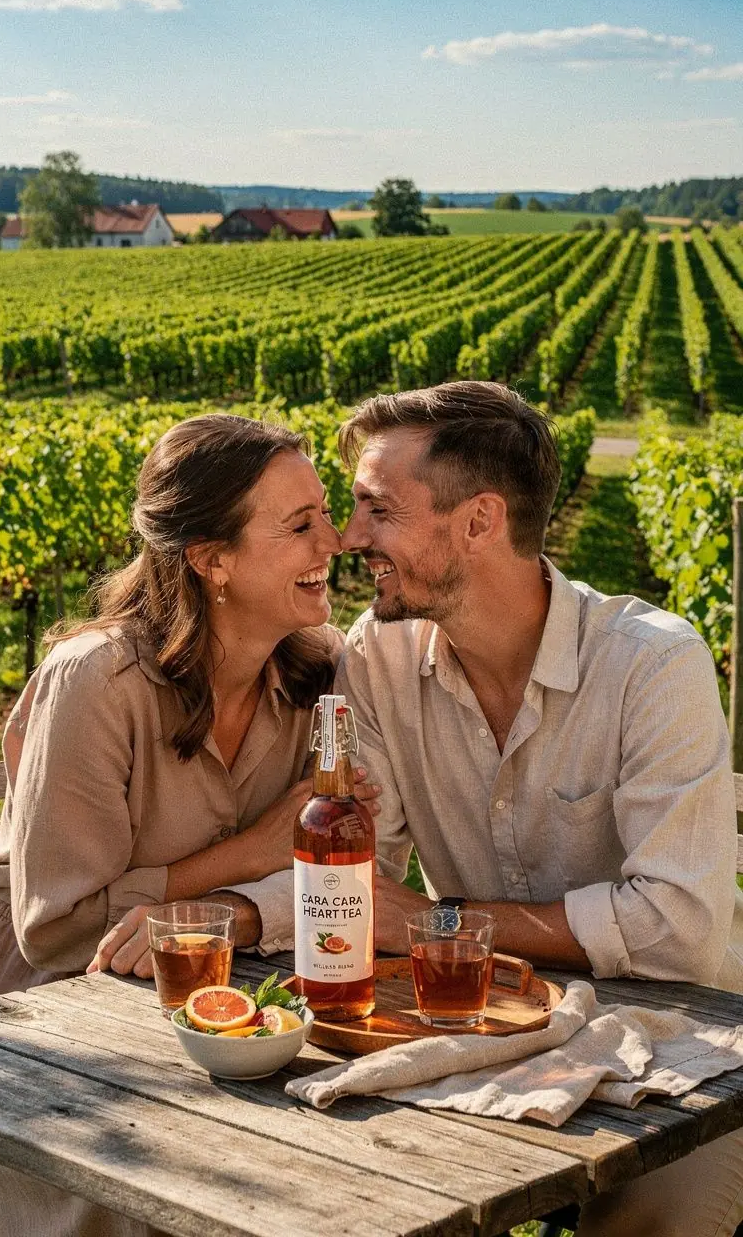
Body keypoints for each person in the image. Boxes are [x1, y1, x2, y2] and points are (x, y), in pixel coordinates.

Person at [245, 381, 743, 1237]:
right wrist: (225, 908)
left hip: (686, 1048)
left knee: (657, 1215)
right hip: (482, 1027)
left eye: (377, 510)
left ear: (479, 522)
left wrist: (441, 922)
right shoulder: (378, 656)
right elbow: (360, 872)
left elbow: (678, 929)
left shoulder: (653, 665)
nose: (348, 537)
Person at [0, 412, 379, 1237]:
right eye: (301, 524)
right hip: (10, 1019)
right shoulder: (99, 681)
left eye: (327, 512)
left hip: (193, 1003)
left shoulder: (319, 671)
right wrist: (255, 855)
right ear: (211, 559)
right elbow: (57, 932)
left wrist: (234, 909)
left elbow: (353, 874)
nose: (337, 540)